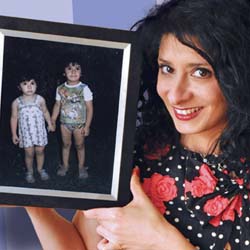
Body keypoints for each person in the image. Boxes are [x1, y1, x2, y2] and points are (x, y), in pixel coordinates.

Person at [24, 0, 250, 249]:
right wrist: (34, 206)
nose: (175, 95)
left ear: (238, 76)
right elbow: (80, 246)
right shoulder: (135, 152)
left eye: (200, 72)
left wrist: (159, 239)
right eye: (167, 69)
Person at [51, 61, 93, 179]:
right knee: (65, 144)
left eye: (77, 68)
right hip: (64, 124)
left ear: (81, 72)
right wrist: (53, 119)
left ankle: (81, 167)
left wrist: (87, 125)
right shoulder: (60, 88)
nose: (73, 71)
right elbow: (57, 105)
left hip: (79, 125)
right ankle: (65, 165)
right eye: (69, 68)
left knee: (80, 145)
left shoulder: (84, 88)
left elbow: (89, 108)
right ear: (64, 72)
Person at [10, 77, 53, 183]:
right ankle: (29, 171)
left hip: (39, 132)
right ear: (19, 87)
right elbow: (14, 118)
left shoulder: (40, 99)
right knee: (29, 153)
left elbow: (46, 112)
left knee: (40, 151)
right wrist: (14, 134)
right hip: (26, 134)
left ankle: (40, 169)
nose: (29, 86)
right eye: (25, 84)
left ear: (36, 85)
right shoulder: (16, 102)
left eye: (32, 83)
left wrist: (50, 123)